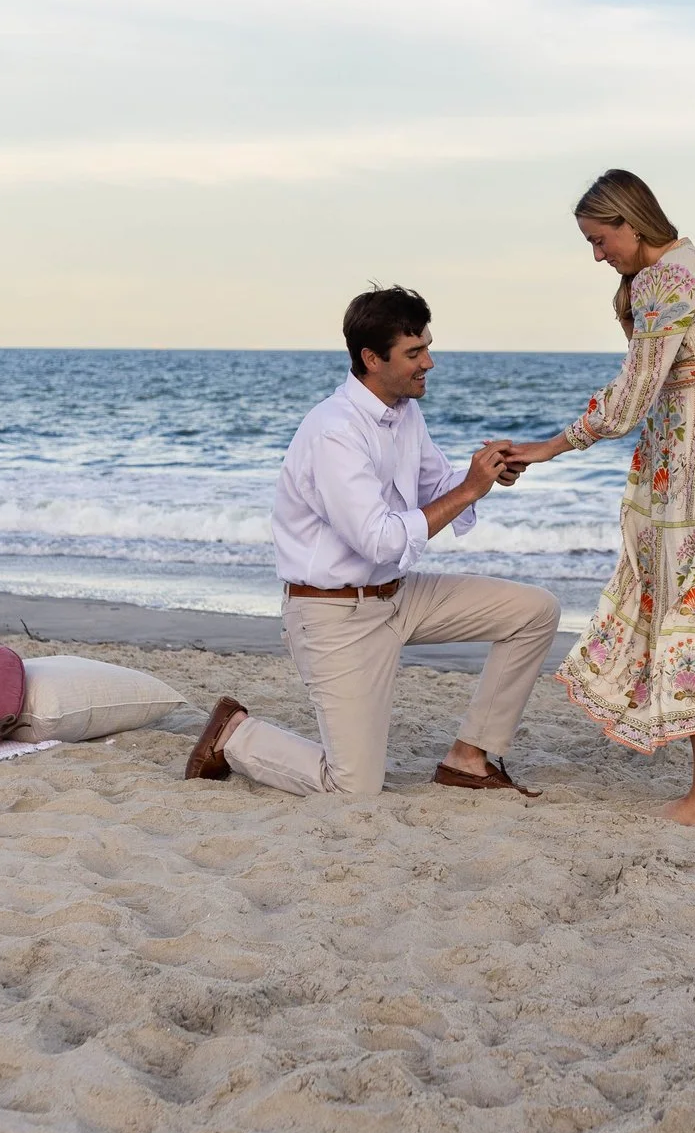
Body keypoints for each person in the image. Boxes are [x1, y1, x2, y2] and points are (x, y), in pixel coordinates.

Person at [184, 286, 561, 798]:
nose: (429, 361)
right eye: (414, 353)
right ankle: (235, 734)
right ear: (371, 358)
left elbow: (434, 489)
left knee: (534, 611)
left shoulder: (404, 412)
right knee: (354, 787)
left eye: (427, 346)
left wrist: (485, 473)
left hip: (398, 596)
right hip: (334, 617)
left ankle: (468, 758)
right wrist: (469, 489)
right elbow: (379, 542)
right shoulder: (334, 432)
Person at [500, 171, 695, 824]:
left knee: (691, 622)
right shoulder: (686, 263)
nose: (598, 256)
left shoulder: (665, 281)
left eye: (600, 240)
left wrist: (549, 446)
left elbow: (630, 399)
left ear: (630, 221)